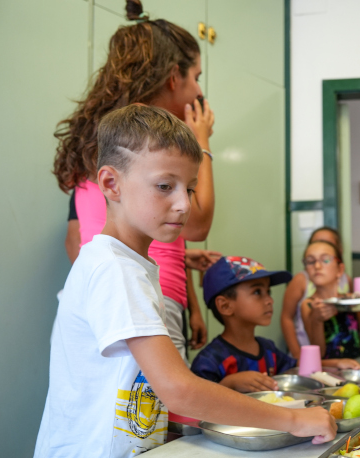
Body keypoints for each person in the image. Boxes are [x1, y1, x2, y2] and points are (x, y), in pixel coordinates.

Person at [27, 106, 336, 458]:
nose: (184, 204)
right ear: (111, 183)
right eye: (164, 186)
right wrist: (292, 420)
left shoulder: (131, 265)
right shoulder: (113, 268)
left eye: (188, 187)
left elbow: (144, 392)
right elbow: (179, 389)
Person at [53, 2, 219, 357]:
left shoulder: (99, 136)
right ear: (174, 76)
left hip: (97, 298)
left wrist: (188, 294)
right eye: (196, 78)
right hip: (149, 297)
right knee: (159, 409)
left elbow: (76, 238)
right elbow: (197, 223)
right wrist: (202, 139)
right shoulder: (150, 142)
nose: (198, 93)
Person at [190, 256, 297, 392]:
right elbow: (198, 404)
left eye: (268, 292)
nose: (270, 300)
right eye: (257, 292)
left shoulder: (269, 349)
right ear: (225, 306)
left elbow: (296, 372)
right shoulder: (209, 361)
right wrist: (228, 384)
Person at [281, 227, 350, 359]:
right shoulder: (301, 281)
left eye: (327, 243)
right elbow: (286, 317)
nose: (318, 265)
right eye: (314, 243)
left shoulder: (347, 281)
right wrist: (297, 354)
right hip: (308, 352)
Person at [301, 241, 360, 368]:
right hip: (330, 372)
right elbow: (319, 355)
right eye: (311, 261)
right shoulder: (308, 305)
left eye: (325, 260)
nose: (317, 266)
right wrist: (317, 320)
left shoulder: (350, 300)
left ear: (340, 269)